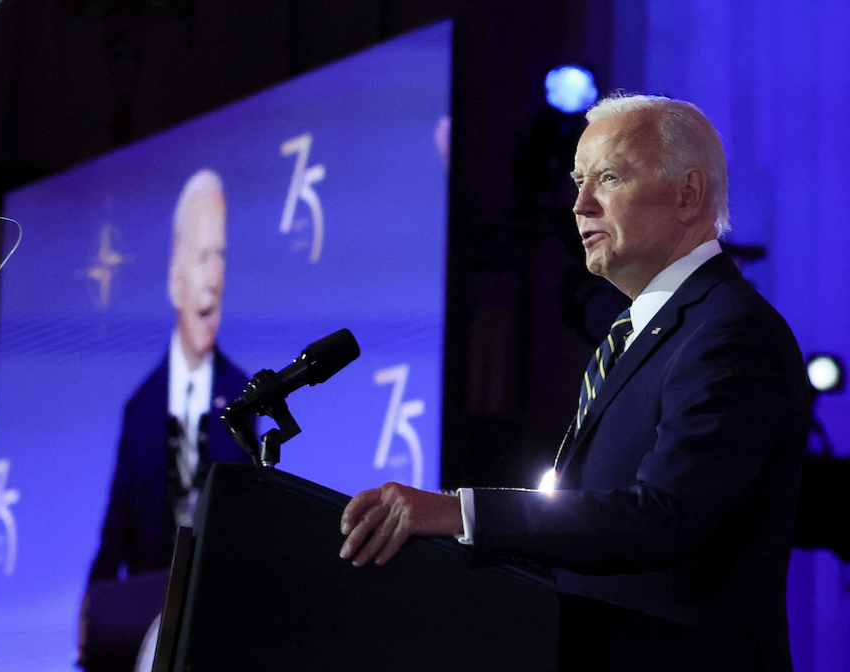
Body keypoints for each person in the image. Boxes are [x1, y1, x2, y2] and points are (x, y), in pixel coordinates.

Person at [338, 94, 810, 671]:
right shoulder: (636, 330)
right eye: (578, 181)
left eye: (608, 178)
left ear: (688, 194)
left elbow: (664, 517)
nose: (580, 205)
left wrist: (462, 514)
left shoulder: (730, 333)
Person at [88, 168, 251, 583]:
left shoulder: (243, 395)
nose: (214, 277)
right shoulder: (141, 409)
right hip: (149, 620)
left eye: (221, 255)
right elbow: (117, 525)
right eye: (202, 256)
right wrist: (96, 602)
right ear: (175, 280)